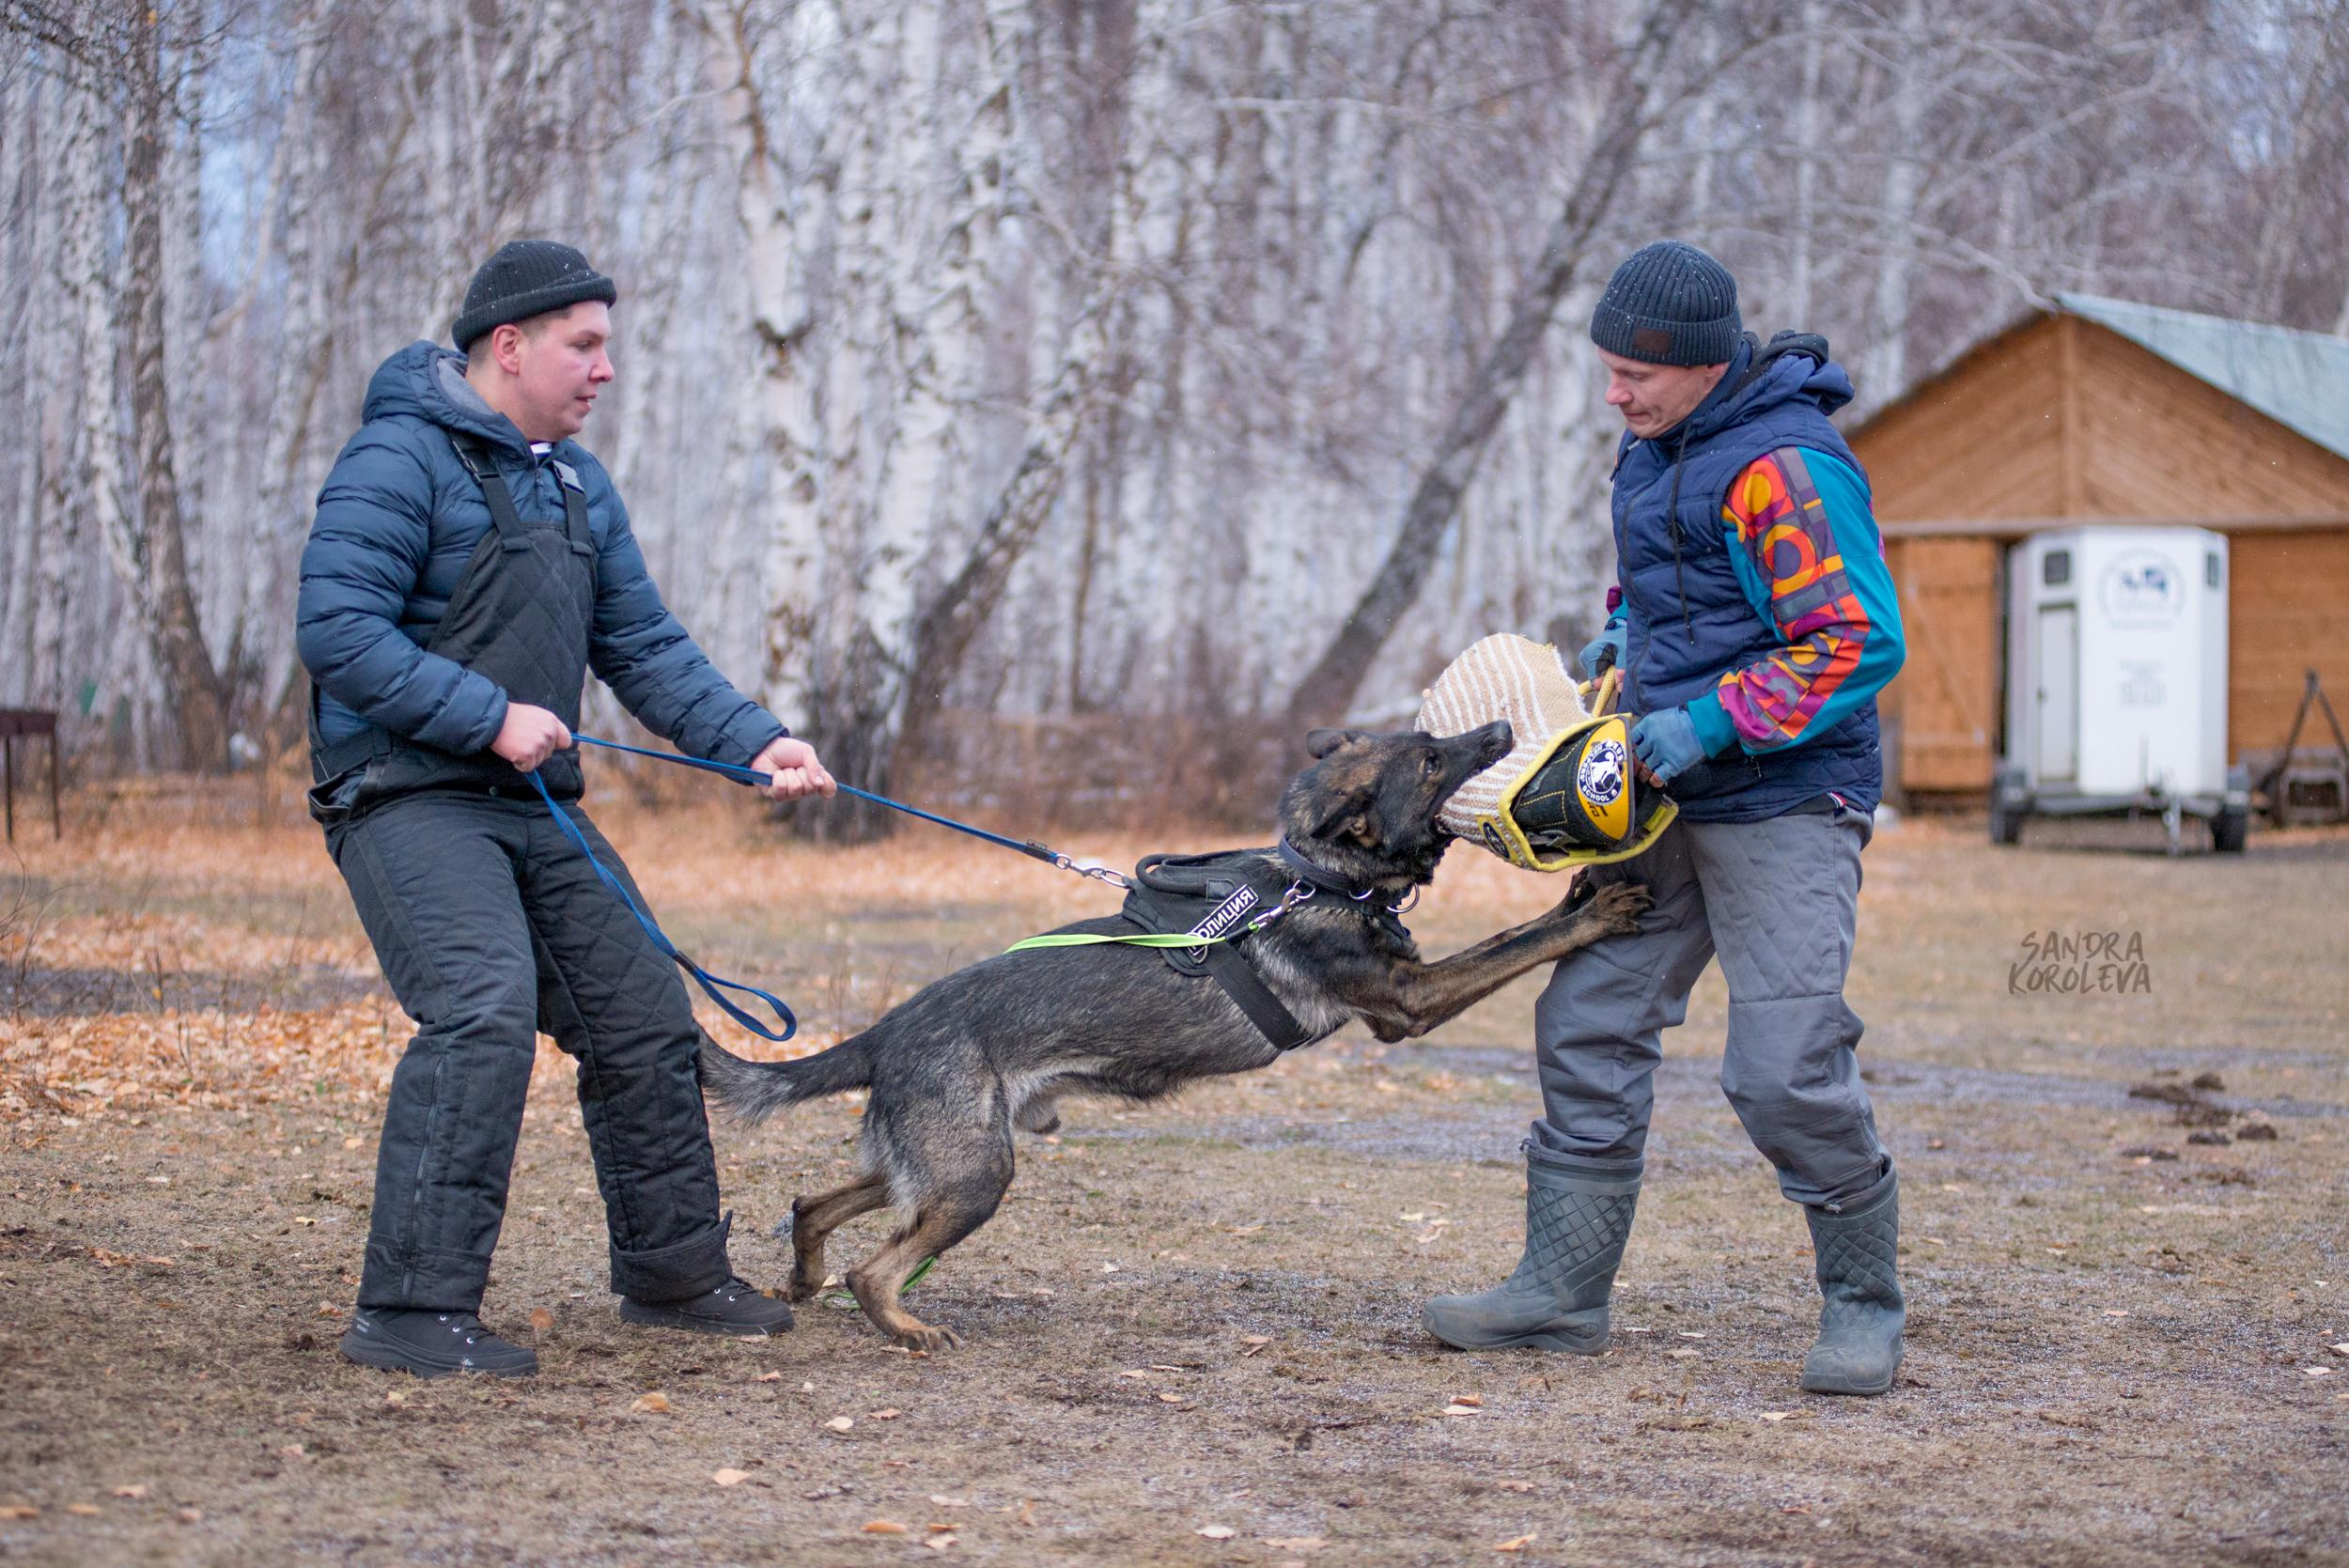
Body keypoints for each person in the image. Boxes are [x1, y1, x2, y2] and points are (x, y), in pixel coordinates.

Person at [297, 240, 835, 1378]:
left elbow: (640, 643)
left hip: (532, 803)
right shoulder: (395, 459)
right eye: (582, 345)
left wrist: (752, 740)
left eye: (606, 347)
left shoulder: (577, 484)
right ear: (510, 345)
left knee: (643, 1016)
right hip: (403, 798)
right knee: (481, 1013)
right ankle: (408, 1312)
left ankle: (674, 1277)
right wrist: (487, 714)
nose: (603, 369)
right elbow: (338, 632)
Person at [1422, 240, 1910, 1396]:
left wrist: (1708, 721)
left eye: (1634, 372)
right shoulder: (1655, 447)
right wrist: (1626, 637)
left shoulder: (1785, 466)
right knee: (1586, 1015)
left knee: (1783, 1067)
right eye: (1606, 368)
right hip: (1653, 794)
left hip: (1784, 793)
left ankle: (1862, 1302)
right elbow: (1670, 577)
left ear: (1699, 364)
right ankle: (1561, 1293)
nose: (1614, 391)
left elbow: (1854, 639)